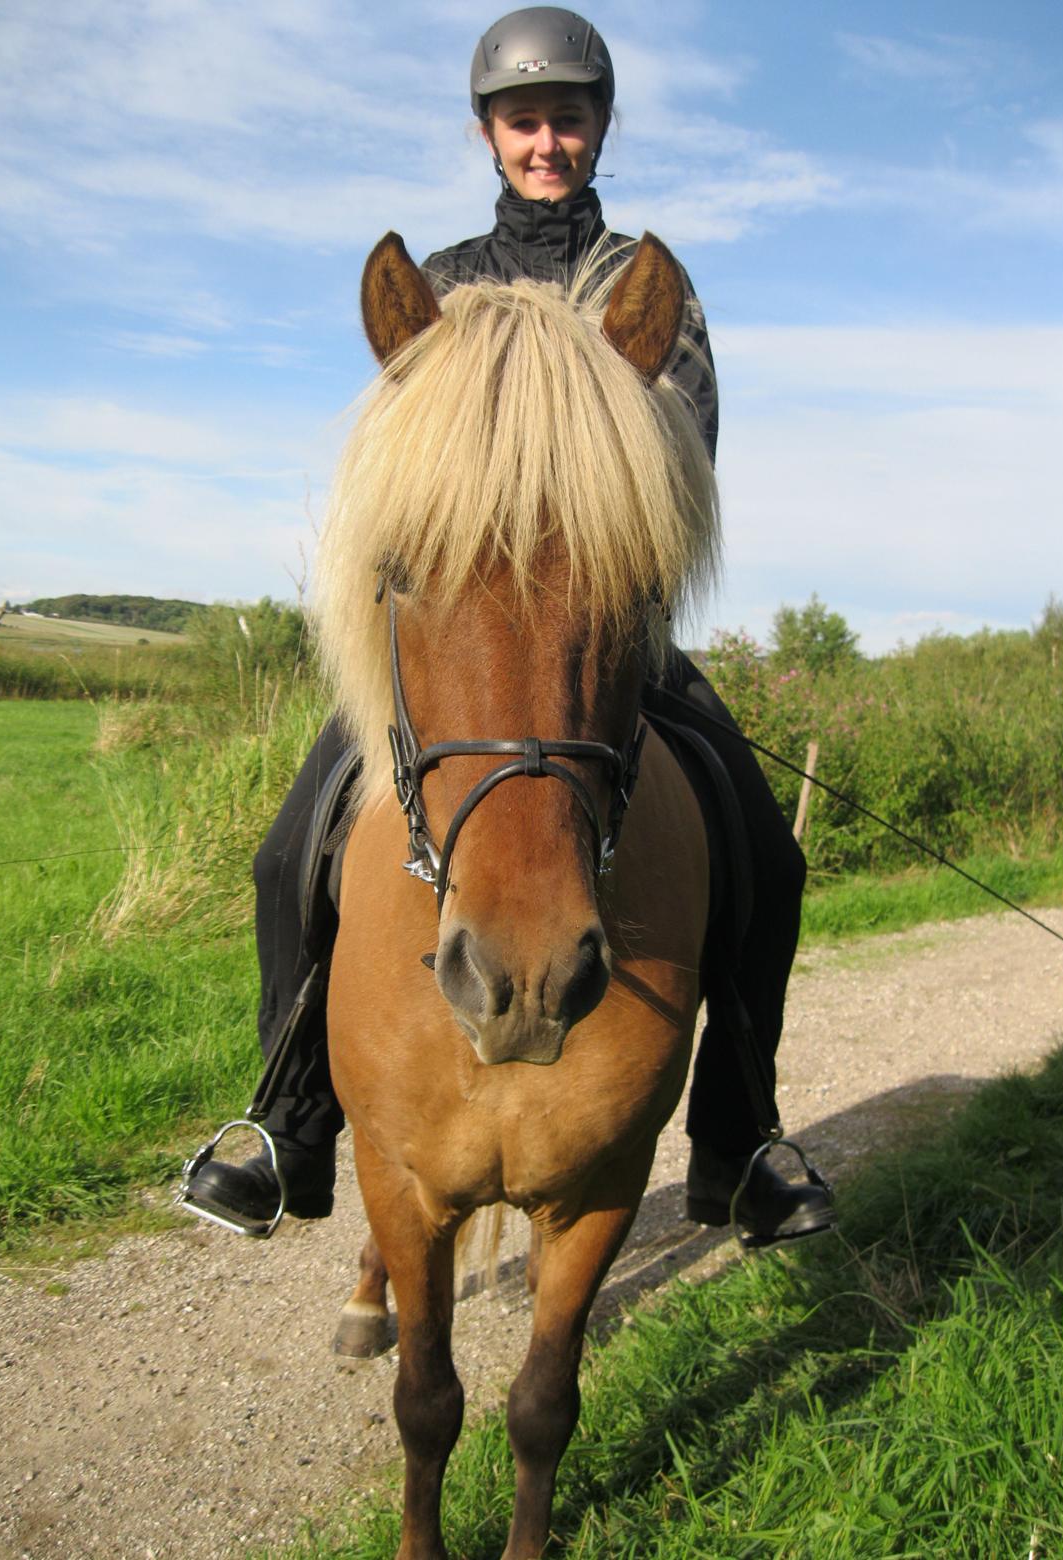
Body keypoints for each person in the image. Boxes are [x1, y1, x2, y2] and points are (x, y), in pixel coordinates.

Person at [186, 6, 835, 1247]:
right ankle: (287, 1121)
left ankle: (740, 1137)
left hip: (600, 626)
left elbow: (681, 462)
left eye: (569, 116)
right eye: (524, 118)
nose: (549, 139)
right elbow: (396, 475)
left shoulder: (649, 292)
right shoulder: (441, 287)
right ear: (490, 132)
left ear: (600, 128)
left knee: (767, 853)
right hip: (461, 641)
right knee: (289, 853)